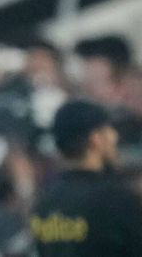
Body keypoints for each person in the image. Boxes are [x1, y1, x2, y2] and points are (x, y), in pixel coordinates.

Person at [31, 100, 142, 256]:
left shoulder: (44, 203)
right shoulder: (116, 199)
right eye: (109, 130)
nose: (115, 136)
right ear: (95, 139)